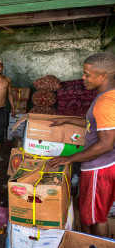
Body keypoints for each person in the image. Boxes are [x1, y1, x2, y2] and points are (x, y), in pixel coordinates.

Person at [49, 52, 115, 237]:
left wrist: (69, 159)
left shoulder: (105, 102)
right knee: (88, 211)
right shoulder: (106, 96)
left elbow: (105, 144)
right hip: (100, 166)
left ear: (103, 76)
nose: (83, 78)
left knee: (94, 217)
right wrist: (69, 122)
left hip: (99, 169)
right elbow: (95, 124)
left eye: (87, 74)